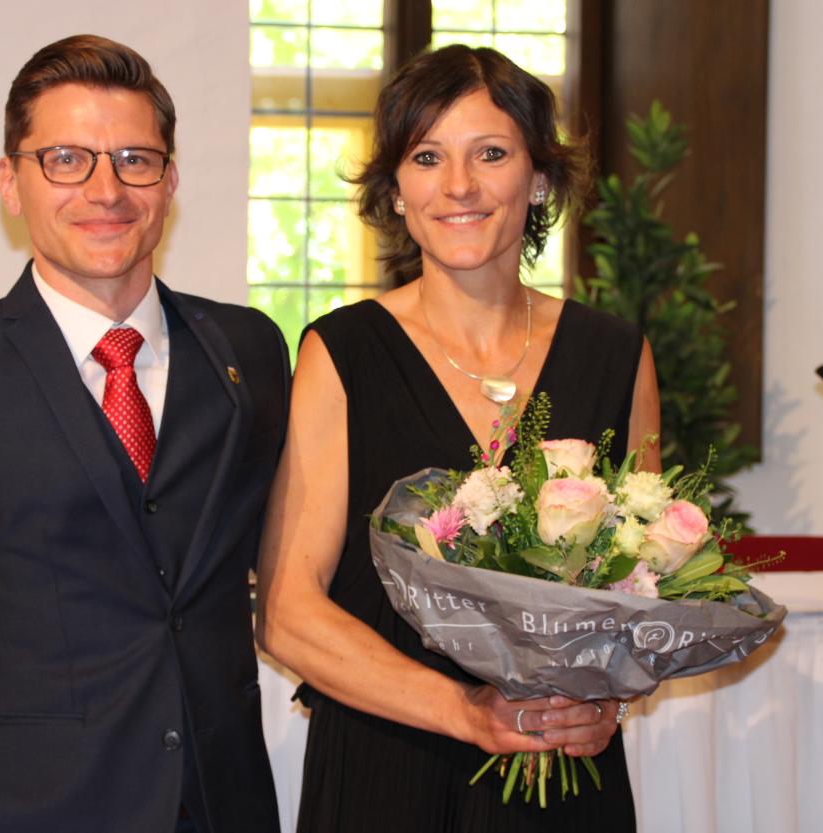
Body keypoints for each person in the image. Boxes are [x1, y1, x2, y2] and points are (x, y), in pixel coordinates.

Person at [0, 35, 286, 833]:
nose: (106, 190)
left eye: (135, 160)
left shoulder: (248, 352)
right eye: (67, 160)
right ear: (11, 182)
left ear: (170, 182)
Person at [256, 44, 660, 833]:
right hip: (385, 770)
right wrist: (465, 710)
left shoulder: (616, 355)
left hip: (560, 774)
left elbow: (642, 590)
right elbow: (288, 609)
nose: (459, 185)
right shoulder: (342, 353)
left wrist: (604, 702)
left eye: (492, 154)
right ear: (395, 189)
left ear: (538, 178)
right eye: (427, 157)